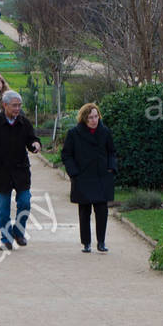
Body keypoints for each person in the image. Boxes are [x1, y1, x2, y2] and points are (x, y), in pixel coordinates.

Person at [0, 90, 41, 249]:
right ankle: (6, 238)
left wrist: (35, 144)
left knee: (25, 203)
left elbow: (31, 139)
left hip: (20, 170)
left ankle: (18, 231)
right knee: (3, 210)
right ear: (5, 105)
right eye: (14, 105)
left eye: (19, 105)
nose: (17, 109)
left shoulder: (23, 122)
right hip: (1, 171)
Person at [61, 102, 118, 253]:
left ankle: (101, 242)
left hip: (101, 176)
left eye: (96, 116)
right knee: (84, 211)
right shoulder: (74, 133)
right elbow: (66, 154)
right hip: (83, 176)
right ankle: (86, 242)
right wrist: (73, 172)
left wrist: (111, 168)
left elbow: (112, 152)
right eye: (90, 117)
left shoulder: (105, 132)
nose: (94, 120)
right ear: (84, 119)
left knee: (102, 210)